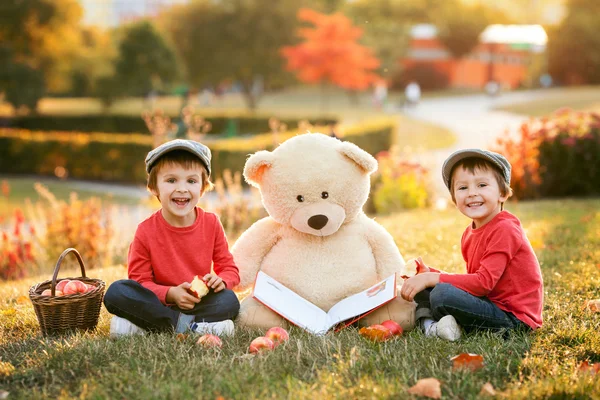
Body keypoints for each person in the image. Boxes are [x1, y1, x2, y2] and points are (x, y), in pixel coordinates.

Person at [400, 149, 543, 341]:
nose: (472, 193)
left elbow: (483, 283)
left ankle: (435, 325)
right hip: (490, 304)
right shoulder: (469, 233)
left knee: (442, 293)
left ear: (502, 193)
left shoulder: (505, 229)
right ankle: (432, 326)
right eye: (463, 188)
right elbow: (472, 281)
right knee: (424, 287)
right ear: (454, 198)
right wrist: (428, 274)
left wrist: (434, 278)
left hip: (515, 318)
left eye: (482, 185)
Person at [104, 139, 241, 337]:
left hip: (198, 303)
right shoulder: (145, 231)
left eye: (191, 181)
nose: (182, 188)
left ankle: (146, 327)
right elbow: (140, 282)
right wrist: (170, 294)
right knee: (117, 292)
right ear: (154, 188)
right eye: (171, 180)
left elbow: (229, 269)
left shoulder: (211, 223)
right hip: (158, 303)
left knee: (229, 301)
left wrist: (221, 280)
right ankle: (189, 327)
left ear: (202, 187)